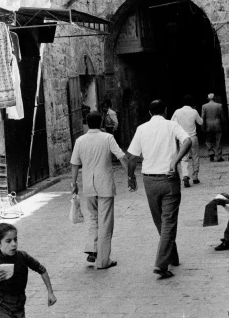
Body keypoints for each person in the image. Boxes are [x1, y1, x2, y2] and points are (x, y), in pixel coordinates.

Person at [127, 99, 191, 280]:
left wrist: (131, 177)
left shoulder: (141, 129)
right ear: (165, 110)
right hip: (168, 178)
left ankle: (173, 257)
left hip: (149, 181)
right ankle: (161, 265)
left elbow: (132, 157)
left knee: (161, 222)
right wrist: (175, 161)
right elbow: (187, 141)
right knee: (168, 222)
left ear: (149, 113)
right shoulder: (171, 125)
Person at [70, 110, 128, 269]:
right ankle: (103, 261)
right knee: (106, 222)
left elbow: (75, 163)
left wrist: (73, 183)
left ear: (87, 123)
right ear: (101, 122)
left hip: (89, 185)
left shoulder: (80, 140)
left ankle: (92, 249)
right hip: (105, 185)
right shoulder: (107, 138)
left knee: (95, 218)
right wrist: (130, 175)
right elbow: (121, 156)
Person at [171, 95, 203, 186]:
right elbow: (200, 122)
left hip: (183, 138)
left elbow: (173, 123)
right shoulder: (194, 111)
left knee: (184, 158)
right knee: (195, 156)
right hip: (193, 137)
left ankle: (185, 176)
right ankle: (195, 177)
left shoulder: (177, 111)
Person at [202, 93, 224, 162]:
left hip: (208, 125)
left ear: (208, 98)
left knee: (208, 140)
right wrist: (224, 125)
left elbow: (203, 117)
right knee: (218, 140)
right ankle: (219, 157)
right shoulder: (219, 105)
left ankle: (211, 153)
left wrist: (202, 126)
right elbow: (222, 116)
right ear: (214, 98)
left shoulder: (204, 106)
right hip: (217, 124)